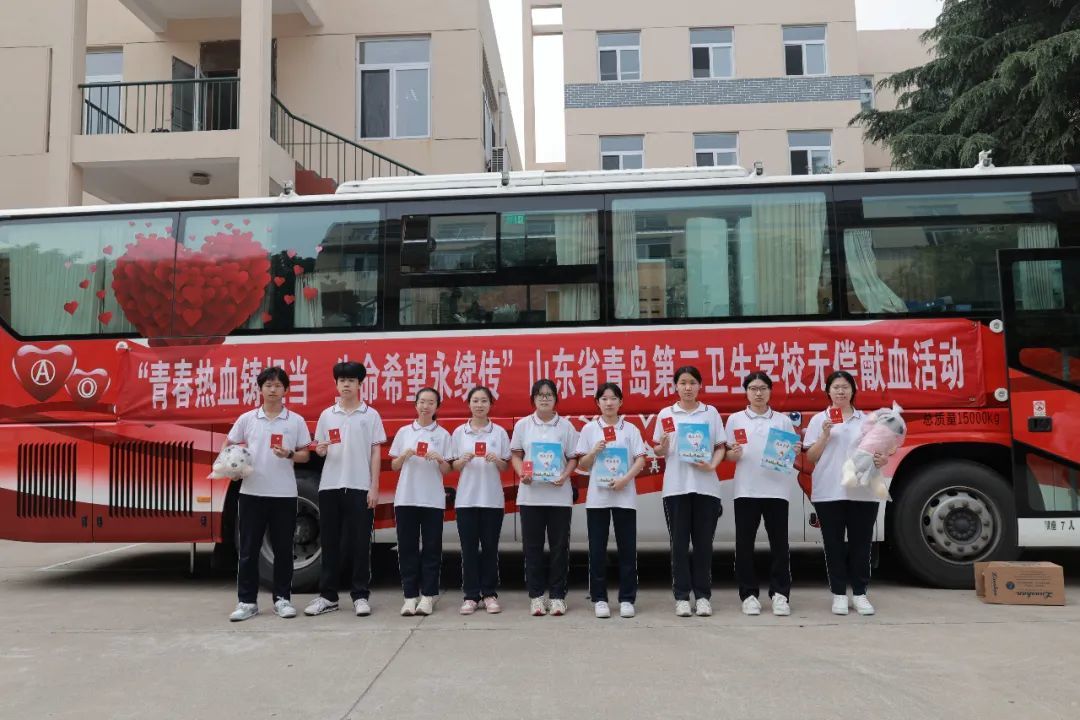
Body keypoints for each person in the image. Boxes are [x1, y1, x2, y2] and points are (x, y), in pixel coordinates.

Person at [226, 366, 311, 622]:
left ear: (286, 390)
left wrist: (289, 454)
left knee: (284, 549)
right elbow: (229, 445)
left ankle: (282, 599)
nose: (273, 390)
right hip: (251, 493)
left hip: (284, 495)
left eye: (278, 385)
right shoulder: (247, 419)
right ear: (260, 389)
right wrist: (232, 469)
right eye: (268, 385)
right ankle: (247, 602)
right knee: (249, 550)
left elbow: (305, 455)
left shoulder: (295, 421)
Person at [304, 361, 386, 618]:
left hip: (360, 486)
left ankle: (360, 595)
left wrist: (374, 487)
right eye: (342, 381)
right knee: (330, 543)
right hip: (330, 485)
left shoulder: (370, 415)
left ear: (360, 384)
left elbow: (375, 452)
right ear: (336, 384)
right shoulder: (327, 415)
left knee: (360, 543)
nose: (346, 385)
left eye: (351, 380)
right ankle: (328, 596)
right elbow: (319, 447)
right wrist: (320, 449)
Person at [804, 370, 888, 616]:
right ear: (828, 392)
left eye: (845, 387)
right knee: (834, 545)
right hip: (829, 490)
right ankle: (839, 593)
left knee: (862, 544)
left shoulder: (868, 420)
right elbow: (811, 456)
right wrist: (825, 435)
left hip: (863, 490)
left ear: (853, 391)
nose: (840, 391)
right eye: (836, 387)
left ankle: (860, 593)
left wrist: (882, 459)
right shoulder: (819, 419)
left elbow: (881, 453)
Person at [652, 365, 726, 618]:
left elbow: (720, 446)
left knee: (704, 545)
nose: (687, 387)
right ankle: (682, 597)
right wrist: (662, 447)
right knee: (679, 545)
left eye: (692, 382)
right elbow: (659, 451)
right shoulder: (666, 414)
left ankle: (703, 596)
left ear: (700, 386)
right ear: (675, 386)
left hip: (706, 487)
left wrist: (712, 465)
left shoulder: (710, 413)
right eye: (683, 383)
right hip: (676, 487)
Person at [725, 371, 799, 617]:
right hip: (746, 489)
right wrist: (732, 454)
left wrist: (794, 449)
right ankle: (748, 595)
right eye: (753, 388)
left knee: (779, 544)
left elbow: (789, 454)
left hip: (777, 490)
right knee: (744, 545)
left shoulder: (782, 421)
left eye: (763, 388)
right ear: (746, 392)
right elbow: (728, 454)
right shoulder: (735, 419)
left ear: (770, 391)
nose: (758, 393)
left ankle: (780, 594)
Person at [575, 383, 646, 619]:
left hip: (625, 496)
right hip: (598, 498)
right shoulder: (589, 429)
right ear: (597, 402)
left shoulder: (630, 429)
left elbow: (641, 459)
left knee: (627, 549)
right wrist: (594, 452)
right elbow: (582, 464)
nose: (609, 403)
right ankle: (600, 598)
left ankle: (627, 599)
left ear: (621, 402)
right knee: (597, 550)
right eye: (604, 399)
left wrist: (625, 479)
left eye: (613, 398)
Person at [510, 379, 580, 616]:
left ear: (556, 399)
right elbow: (516, 455)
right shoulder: (523, 425)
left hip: (559, 496)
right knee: (532, 548)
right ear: (533, 399)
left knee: (560, 548)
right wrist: (522, 473)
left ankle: (558, 596)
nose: (544, 398)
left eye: (549, 394)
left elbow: (573, 457)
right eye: (540, 395)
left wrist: (565, 475)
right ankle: (537, 596)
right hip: (530, 496)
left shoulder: (566, 426)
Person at [389, 387, 452, 616]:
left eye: (431, 402)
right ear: (415, 405)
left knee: (432, 548)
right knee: (407, 548)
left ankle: (428, 596)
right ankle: (409, 596)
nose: (426, 406)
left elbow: (447, 470)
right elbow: (394, 466)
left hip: (432, 499)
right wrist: (404, 455)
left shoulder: (443, 435)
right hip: (406, 497)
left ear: (437, 407)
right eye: (422, 402)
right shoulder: (404, 431)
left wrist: (440, 459)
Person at [450, 386, 511, 614]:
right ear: (469, 404)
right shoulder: (459, 432)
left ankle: (489, 594)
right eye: (475, 401)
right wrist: (462, 461)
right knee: (468, 549)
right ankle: (471, 596)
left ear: (490, 405)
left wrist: (497, 460)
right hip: (466, 499)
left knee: (490, 548)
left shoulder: (499, 432)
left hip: (492, 499)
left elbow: (505, 466)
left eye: (484, 401)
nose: (479, 405)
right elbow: (452, 466)